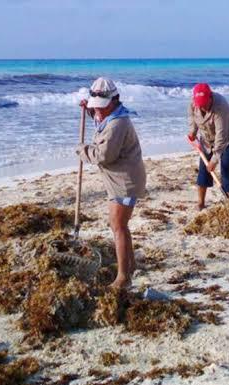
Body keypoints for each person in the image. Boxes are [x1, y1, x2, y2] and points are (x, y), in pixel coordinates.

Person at [77, 77, 146, 290]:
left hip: (125, 181)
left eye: (101, 107)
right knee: (119, 225)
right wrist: (88, 109)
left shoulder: (118, 124)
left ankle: (123, 278)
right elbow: (99, 118)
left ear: (115, 100)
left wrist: (82, 150)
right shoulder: (110, 114)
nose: (98, 111)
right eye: (94, 107)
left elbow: (103, 155)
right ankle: (131, 265)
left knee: (118, 226)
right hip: (118, 179)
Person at [186, 83, 229, 210]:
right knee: (203, 168)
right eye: (201, 106)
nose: (204, 107)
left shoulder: (220, 107)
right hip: (207, 139)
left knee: (226, 166)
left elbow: (221, 137)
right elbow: (192, 117)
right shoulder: (193, 103)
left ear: (210, 98)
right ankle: (201, 203)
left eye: (206, 104)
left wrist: (214, 160)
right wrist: (193, 132)